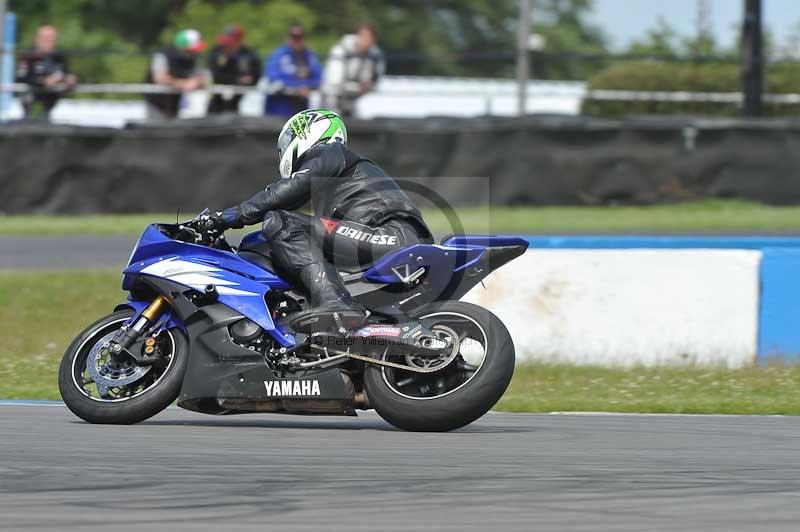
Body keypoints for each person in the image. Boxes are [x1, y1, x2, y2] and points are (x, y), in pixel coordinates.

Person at [201, 109, 432, 331]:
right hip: (380, 238)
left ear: (308, 132)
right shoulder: (330, 176)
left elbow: (281, 195)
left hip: (391, 236)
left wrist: (227, 218)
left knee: (281, 222)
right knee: (261, 239)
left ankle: (337, 304)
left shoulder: (330, 151)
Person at [322, 23, 385, 117]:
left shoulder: (375, 56)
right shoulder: (340, 50)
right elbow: (334, 84)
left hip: (355, 103)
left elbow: (375, 82)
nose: (366, 41)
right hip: (332, 101)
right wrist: (359, 87)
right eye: (363, 36)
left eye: (369, 37)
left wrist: (368, 86)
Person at [15, 25, 77, 119]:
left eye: (51, 38)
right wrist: (43, 81)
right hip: (31, 101)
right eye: (45, 38)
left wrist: (69, 79)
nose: (48, 41)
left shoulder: (59, 57)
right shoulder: (28, 56)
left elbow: (65, 73)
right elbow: (21, 77)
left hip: (50, 103)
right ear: (37, 39)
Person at [145, 29, 207, 120]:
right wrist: (185, 83)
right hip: (156, 103)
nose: (193, 53)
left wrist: (196, 82)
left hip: (174, 102)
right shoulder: (163, 55)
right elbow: (160, 78)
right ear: (181, 46)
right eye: (190, 50)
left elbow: (201, 77)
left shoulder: (193, 58)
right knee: (157, 128)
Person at [263, 24, 322, 118]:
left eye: (299, 37)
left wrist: (308, 87)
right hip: (279, 109)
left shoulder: (310, 56)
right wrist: (298, 87)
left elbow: (318, 78)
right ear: (288, 38)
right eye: (294, 37)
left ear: (304, 39)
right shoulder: (278, 55)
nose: (296, 40)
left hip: (302, 109)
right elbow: (273, 78)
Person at [207, 24, 261, 114]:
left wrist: (250, 79)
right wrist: (238, 79)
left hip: (242, 100)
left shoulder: (248, 55)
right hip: (218, 100)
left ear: (238, 40)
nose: (227, 45)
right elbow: (217, 75)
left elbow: (254, 75)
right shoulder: (216, 52)